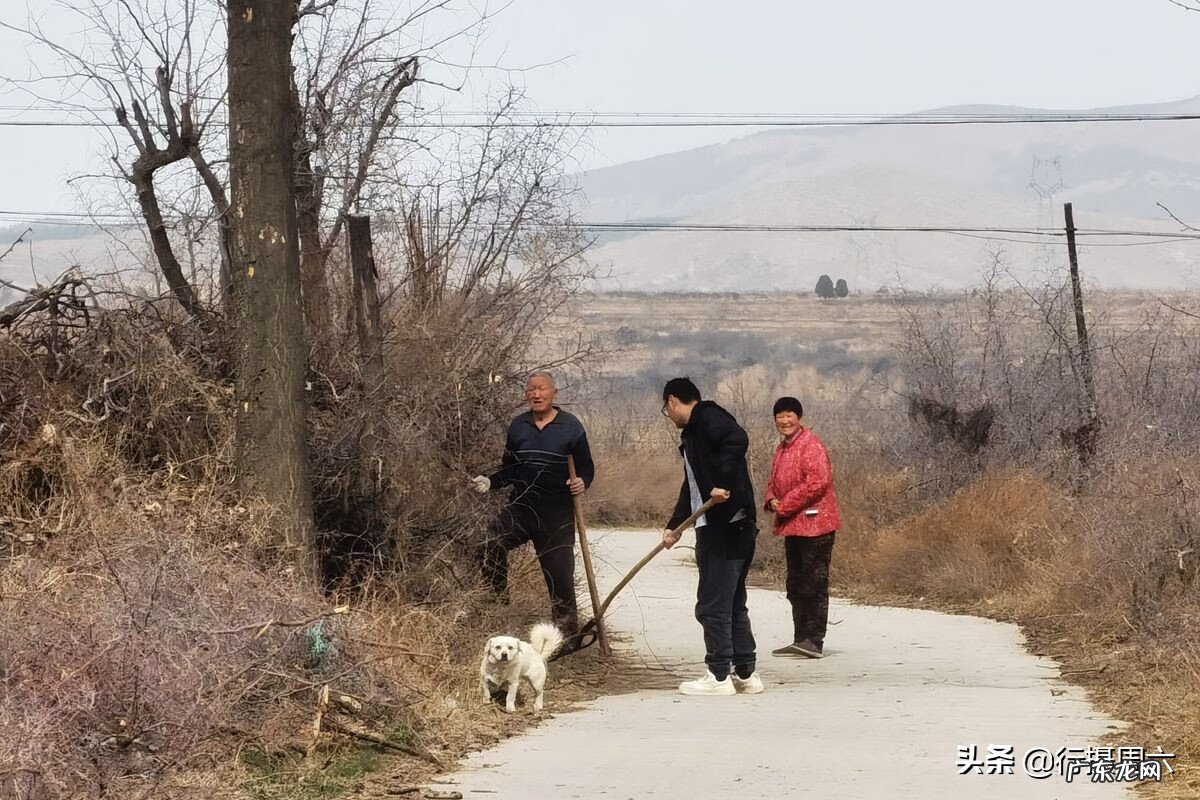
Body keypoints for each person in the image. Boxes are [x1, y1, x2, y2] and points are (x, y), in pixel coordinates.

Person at [474, 371, 594, 650]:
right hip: (522, 507)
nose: (536, 394)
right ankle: (498, 598)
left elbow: (586, 467)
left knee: (561, 578)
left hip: (557, 514)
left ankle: (567, 640)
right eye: (531, 390)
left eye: (542, 389)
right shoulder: (519, 426)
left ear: (554, 393)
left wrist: (582, 482)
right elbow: (510, 470)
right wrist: (490, 481)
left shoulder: (571, 427)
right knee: (488, 540)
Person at [660, 377, 764, 696]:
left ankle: (718, 674)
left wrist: (722, 483)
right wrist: (675, 525)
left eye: (667, 409)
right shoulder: (693, 436)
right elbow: (692, 487)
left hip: (727, 526)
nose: (669, 414)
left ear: (673, 401)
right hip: (728, 526)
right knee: (732, 602)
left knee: (712, 604)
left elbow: (738, 439)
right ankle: (744, 673)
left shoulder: (708, 417)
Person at [762, 396, 841, 659]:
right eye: (779, 417)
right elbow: (774, 480)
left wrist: (785, 504)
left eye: (789, 415)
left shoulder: (811, 445)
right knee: (795, 582)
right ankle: (800, 638)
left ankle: (814, 640)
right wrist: (771, 498)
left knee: (814, 582)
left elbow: (818, 481)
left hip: (816, 524)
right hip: (793, 526)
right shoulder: (782, 448)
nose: (784, 421)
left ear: (799, 417)